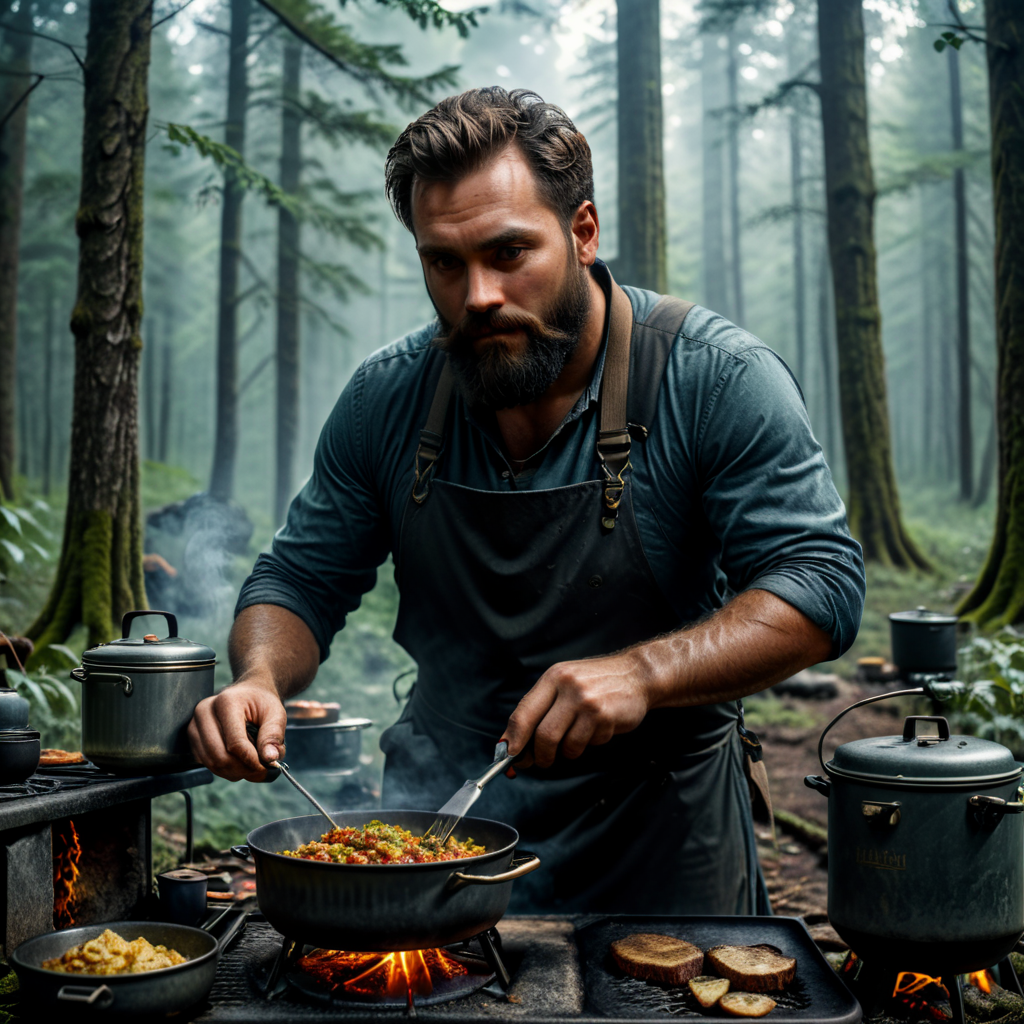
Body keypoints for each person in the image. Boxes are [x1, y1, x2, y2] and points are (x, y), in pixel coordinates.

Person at [188, 88, 865, 914]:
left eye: (508, 253)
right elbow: (300, 579)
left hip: (662, 836)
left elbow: (821, 585)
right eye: (445, 261)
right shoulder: (387, 396)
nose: (477, 295)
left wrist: (643, 672)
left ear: (583, 233)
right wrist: (260, 675)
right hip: (439, 835)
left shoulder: (714, 378)